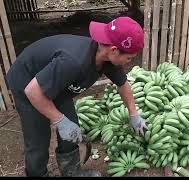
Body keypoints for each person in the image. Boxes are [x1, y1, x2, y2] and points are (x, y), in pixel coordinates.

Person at [6, 16, 147, 177]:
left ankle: (72, 172)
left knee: (71, 125)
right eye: (129, 58)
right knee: (38, 137)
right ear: (114, 49)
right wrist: (59, 120)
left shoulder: (106, 56)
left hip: (58, 82)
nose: (129, 62)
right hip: (27, 80)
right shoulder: (74, 61)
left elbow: (123, 85)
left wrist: (133, 113)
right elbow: (33, 92)